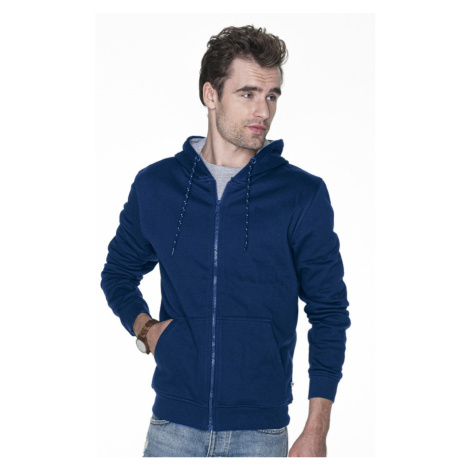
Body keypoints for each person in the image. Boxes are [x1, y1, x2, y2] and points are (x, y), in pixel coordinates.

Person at [100, 24, 351, 458]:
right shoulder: (157, 185)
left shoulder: (301, 194)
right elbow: (118, 273)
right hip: (172, 429)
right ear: (211, 95)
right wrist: (145, 329)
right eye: (248, 94)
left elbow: (329, 311)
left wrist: (316, 427)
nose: (263, 111)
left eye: (271, 96)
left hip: (261, 434)